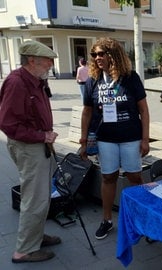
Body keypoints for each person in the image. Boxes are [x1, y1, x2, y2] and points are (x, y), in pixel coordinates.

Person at [79, 37, 150, 240]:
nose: (97, 57)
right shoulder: (92, 80)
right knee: (108, 177)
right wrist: (83, 140)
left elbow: (144, 110)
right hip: (105, 139)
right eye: (94, 54)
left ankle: (141, 217)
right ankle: (107, 220)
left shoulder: (130, 78)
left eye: (102, 53)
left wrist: (145, 139)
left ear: (114, 54)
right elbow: (86, 112)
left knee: (134, 177)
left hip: (130, 137)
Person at [0, 40, 61, 263]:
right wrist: (42, 136)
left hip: (38, 146)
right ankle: (24, 250)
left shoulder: (36, 80)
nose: (50, 65)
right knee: (34, 199)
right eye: (47, 61)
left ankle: (35, 237)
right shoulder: (17, 82)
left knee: (41, 197)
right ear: (32, 60)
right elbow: (8, 124)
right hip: (29, 147)